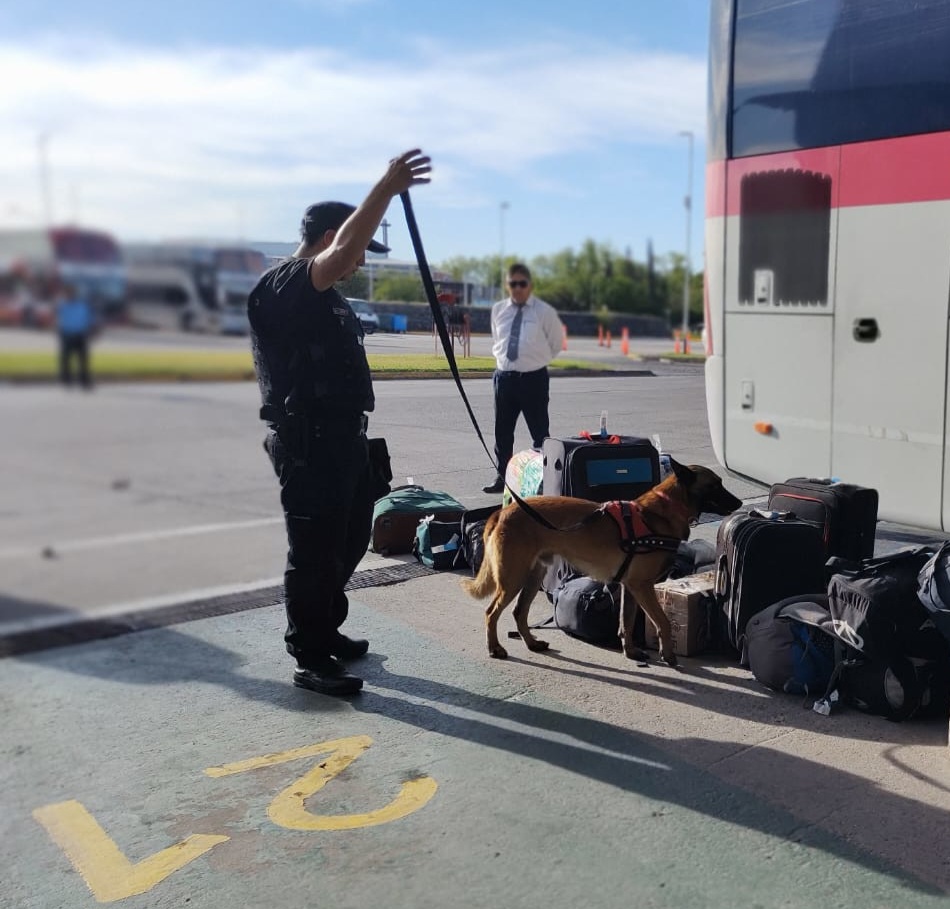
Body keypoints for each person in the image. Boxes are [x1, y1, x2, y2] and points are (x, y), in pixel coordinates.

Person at [248, 149, 432, 696]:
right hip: (309, 443)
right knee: (313, 550)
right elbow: (343, 252)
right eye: (355, 252)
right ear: (332, 236)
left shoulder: (329, 298)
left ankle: (326, 626)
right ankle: (309, 655)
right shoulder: (283, 285)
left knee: (350, 539)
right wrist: (388, 185)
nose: (359, 264)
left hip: (345, 439)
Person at [482, 263, 564, 494]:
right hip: (504, 379)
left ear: (530, 285)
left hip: (533, 379)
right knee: (502, 432)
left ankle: (547, 479)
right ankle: (502, 477)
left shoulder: (543, 311)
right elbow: (498, 338)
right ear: (507, 285)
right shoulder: (499, 310)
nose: (517, 289)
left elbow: (556, 342)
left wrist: (534, 360)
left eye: (522, 284)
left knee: (540, 433)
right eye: (513, 284)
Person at [55, 283, 96, 389]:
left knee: (83, 360)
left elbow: (89, 318)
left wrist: (92, 331)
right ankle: (66, 380)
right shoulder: (62, 305)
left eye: (71, 293)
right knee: (66, 359)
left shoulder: (82, 305)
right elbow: (58, 319)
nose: (69, 295)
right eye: (68, 293)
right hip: (67, 334)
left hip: (80, 335)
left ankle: (84, 381)